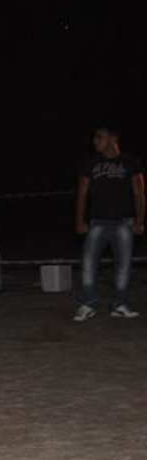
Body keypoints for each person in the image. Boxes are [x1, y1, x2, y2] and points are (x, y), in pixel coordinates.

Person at [73, 126, 144, 321]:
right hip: (97, 222)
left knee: (123, 266)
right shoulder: (90, 163)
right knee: (88, 264)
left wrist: (140, 221)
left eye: (99, 137)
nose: (95, 141)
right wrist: (79, 221)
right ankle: (88, 304)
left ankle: (119, 305)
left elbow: (139, 193)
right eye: (94, 137)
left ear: (113, 139)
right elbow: (82, 194)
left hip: (124, 223)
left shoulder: (130, 162)